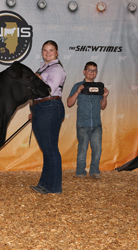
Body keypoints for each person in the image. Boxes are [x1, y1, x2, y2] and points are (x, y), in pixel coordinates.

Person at [29, 40, 66, 194]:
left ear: (56, 53)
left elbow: (47, 89)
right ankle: (44, 184)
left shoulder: (57, 69)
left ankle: (54, 187)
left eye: (51, 50)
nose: (48, 53)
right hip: (42, 107)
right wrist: (34, 108)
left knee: (50, 148)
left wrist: (36, 77)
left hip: (50, 107)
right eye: (45, 50)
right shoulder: (44, 68)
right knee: (47, 149)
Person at [67, 61, 109, 179]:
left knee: (97, 149)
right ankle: (80, 171)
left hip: (96, 124)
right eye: (89, 70)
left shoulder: (99, 87)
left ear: (96, 73)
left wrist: (105, 97)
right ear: (84, 72)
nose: (92, 72)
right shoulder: (77, 86)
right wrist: (78, 91)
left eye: (94, 70)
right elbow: (69, 103)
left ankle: (94, 171)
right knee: (82, 149)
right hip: (82, 124)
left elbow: (103, 106)